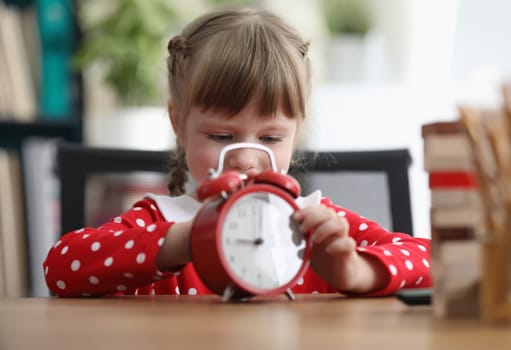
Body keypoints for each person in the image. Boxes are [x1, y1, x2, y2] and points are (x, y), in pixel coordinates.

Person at [44, 7, 431, 298]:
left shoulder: (315, 225)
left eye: (270, 138)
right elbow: (61, 266)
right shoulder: (158, 222)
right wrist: (183, 241)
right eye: (221, 135)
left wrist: (357, 271)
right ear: (177, 122)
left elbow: (432, 259)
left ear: (297, 132)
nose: (245, 159)